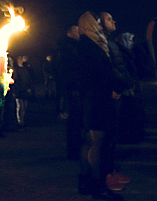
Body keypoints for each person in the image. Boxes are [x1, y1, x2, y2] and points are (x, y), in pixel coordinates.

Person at [76, 12, 125, 200]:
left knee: (90, 141)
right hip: (96, 99)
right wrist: (116, 86)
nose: (98, 25)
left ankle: (86, 181)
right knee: (95, 142)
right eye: (95, 22)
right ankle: (96, 183)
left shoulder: (88, 44)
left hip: (91, 98)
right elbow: (101, 73)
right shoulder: (90, 46)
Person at [99, 12, 133, 191]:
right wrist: (115, 86)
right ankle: (105, 176)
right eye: (108, 19)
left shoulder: (109, 40)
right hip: (110, 94)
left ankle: (111, 171)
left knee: (113, 136)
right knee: (106, 137)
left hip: (117, 91)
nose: (113, 21)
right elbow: (108, 67)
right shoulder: (101, 42)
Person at [56, 24, 81, 160]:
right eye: (76, 30)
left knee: (75, 122)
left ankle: (75, 150)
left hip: (73, 89)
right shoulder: (68, 49)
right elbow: (69, 71)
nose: (79, 33)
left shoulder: (71, 47)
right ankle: (74, 151)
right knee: (74, 122)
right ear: (69, 33)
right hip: (73, 89)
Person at [11, 55, 33, 127]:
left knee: (24, 106)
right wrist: (15, 90)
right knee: (19, 106)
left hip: (24, 90)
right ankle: (19, 120)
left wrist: (29, 87)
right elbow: (15, 81)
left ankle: (22, 119)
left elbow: (28, 79)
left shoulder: (25, 69)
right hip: (19, 90)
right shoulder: (16, 70)